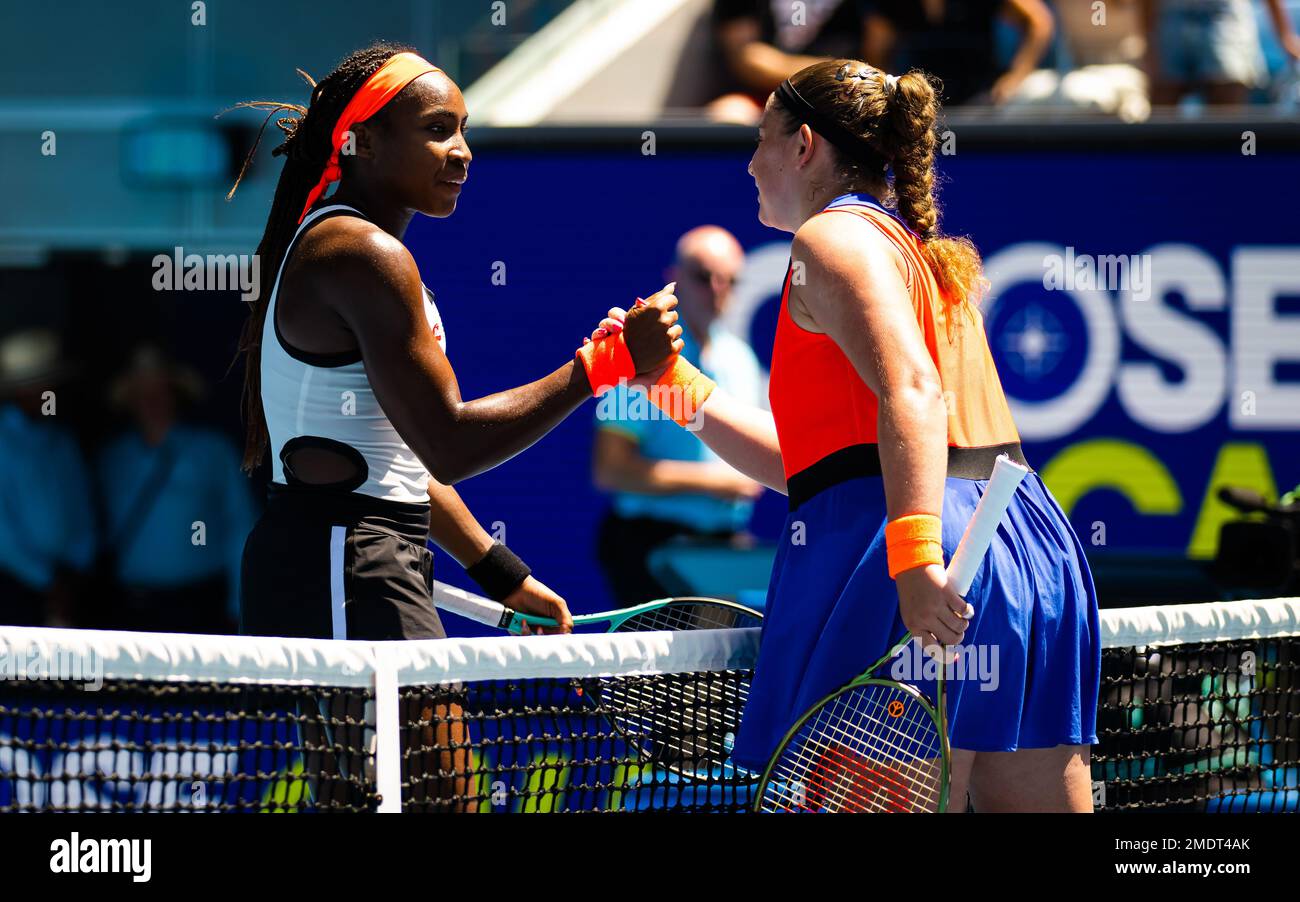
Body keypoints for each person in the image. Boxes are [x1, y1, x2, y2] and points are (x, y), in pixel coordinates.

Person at [593, 60, 1101, 811]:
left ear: (804, 146)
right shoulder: (906, 248)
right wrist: (665, 378)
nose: (749, 161)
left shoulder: (831, 240)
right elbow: (817, 466)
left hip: (920, 550)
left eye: (761, 139)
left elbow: (913, 393)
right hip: (1019, 551)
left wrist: (917, 558)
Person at [225, 43, 681, 645]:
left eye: (462, 130)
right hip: (343, 560)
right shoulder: (363, 253)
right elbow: (449, 444)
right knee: (418, 744)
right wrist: (603, 365)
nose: (462, 152)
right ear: (366, 142)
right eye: (437, 130)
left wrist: (501, 572)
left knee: (430, 744)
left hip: (351, 556)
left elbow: (404, 457)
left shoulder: (364, 249)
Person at [592, 226, 764, 606]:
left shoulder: (742, 362)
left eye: (730, 280)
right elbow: (612, 470)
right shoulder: (641, 357)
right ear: (675, 278)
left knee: (722, 663)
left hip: (719, 549)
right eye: (704, 276)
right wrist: (714, 483)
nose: (718, 289)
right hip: (648, 548)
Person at [95, 344, 254, 634]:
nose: (152, 401)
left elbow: (241, 526)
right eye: (142, 394)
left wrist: (238, 605)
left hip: (200, 604)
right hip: (132, 607)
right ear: (130, 401)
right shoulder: (112, 458)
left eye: (160, 391)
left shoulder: (213, 450)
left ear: (176, 395)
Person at [0, 328, 96, 627]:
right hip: (13, 586)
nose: (50, 391)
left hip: (70, 585)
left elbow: (82, 507)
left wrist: (75, 569)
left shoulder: (63, 440)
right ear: (21, 390)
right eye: (42, 384)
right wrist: (46, 580)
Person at [862, 0, 1055, 105]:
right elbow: (876, 50)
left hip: (982, 100)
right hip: (920, 106)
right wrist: (890, 96)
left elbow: (1039, 24)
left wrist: (1015, 78)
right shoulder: (890, 4)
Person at [711, 0, 869, 122]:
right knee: (728, 113)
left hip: (847, 98)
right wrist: (835, 72)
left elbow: (872, 68)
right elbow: (746, 58)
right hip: (767, 97)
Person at [1144, 0, 1300, 106]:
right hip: (1169, 15)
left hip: (1224, 15)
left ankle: (1231, 154)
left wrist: (1285, 35)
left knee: (1226, 92)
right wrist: (1147, 39)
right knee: (1163, 99)